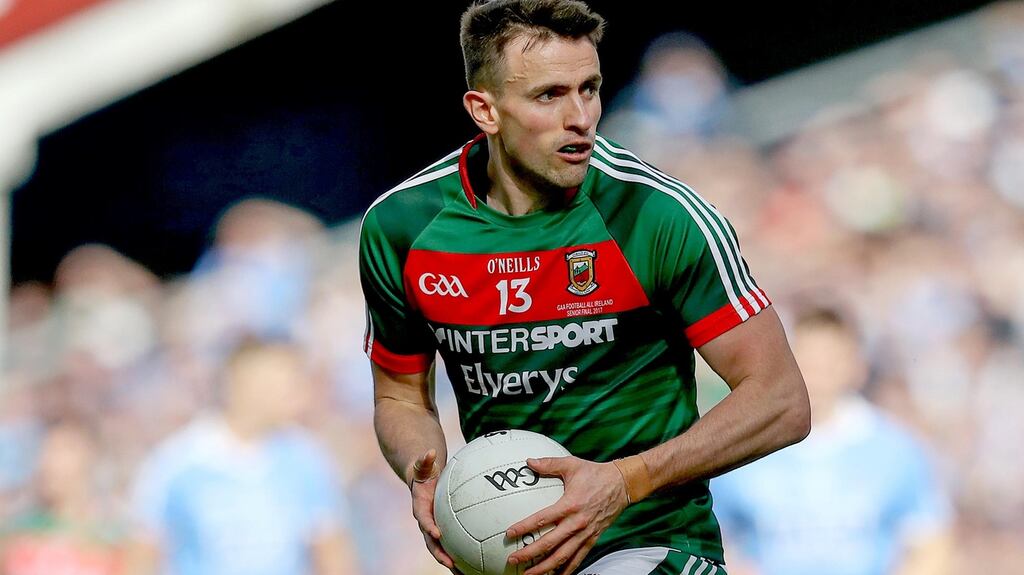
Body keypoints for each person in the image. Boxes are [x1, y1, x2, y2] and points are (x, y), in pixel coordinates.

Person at [358, 1, 811, 574]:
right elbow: (400, 396)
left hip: (652, 542)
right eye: (549, 95)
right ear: (485, 110)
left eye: (589, 89)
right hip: (516, 552)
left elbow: (781, 400)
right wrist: (422, 470)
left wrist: (624, 481)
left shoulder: (654, 215)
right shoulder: (403, 226)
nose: (580, 117)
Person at [711, 305, 954, 575]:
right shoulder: (746, 450)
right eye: (808, 360)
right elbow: (711, 537)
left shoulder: (898, 450)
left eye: (830, 362)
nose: (817, 375)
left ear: (857, 366)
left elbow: (931, 545)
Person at [124, 338, 359, 575]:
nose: (299, 396)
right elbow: (143, 555)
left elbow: (333, 553)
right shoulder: (176, 463)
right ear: (242, 384)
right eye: (285, 384)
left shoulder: (307, 458)